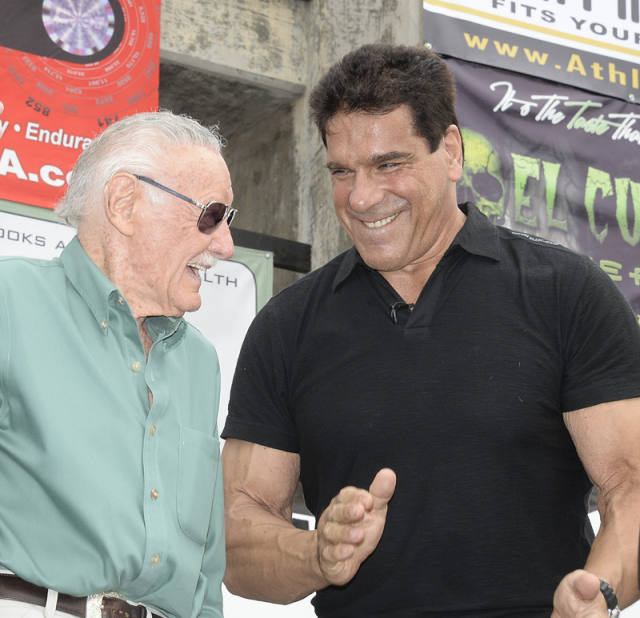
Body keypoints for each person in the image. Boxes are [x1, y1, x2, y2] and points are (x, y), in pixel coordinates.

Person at [221, 44, 640, 617]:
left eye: (388, 164)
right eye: (342, 171)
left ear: (451, 151)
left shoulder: (565, 292)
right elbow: (237, 536)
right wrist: (316, 554)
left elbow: (630, 486)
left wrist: (601, 593)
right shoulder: (286, 326)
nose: (361, 197)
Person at [0, 110, 236, 618]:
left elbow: (206, 579)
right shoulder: (9, 301)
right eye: (211, 215)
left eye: (227, 221)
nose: (224, 245)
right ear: (124, 203)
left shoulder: (199, 362)